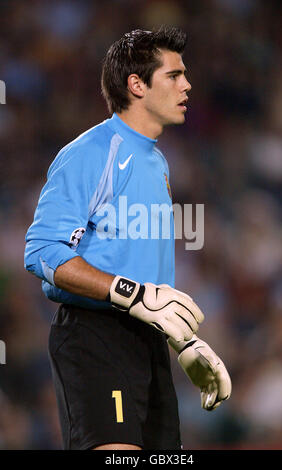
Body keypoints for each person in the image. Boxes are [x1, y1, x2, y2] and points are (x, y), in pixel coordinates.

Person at [24, 26, 231, 451]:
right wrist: (130, 295)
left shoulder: (158, 163)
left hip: (148, 344)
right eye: (174, 75)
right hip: (95, 337)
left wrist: (183, 340)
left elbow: (146, 277)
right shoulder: (91, 153)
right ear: (136, 84)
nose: (187, 85)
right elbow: (43, 252)